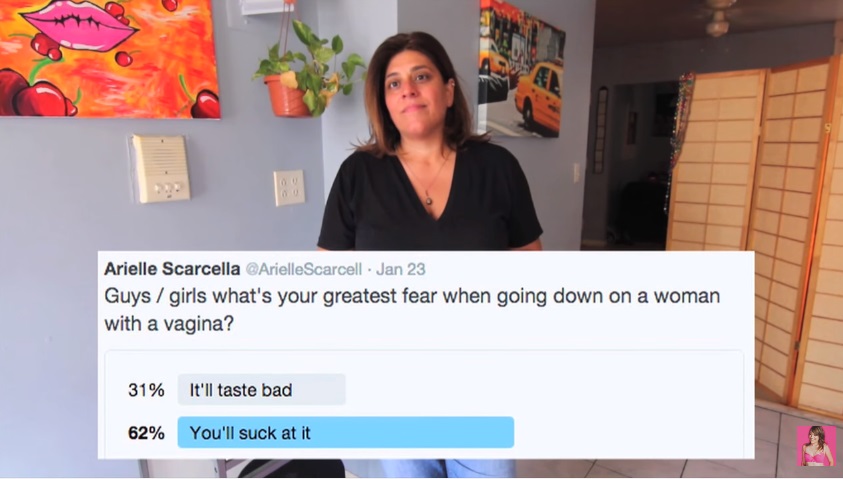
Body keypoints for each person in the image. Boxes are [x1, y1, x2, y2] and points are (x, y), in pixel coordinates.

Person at [317, 31, 543, 477]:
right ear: (384, 101)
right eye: (394, 83)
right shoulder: (357, 175)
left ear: (449, 90)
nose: (408, 90)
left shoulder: (498, 168)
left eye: (421, 76)